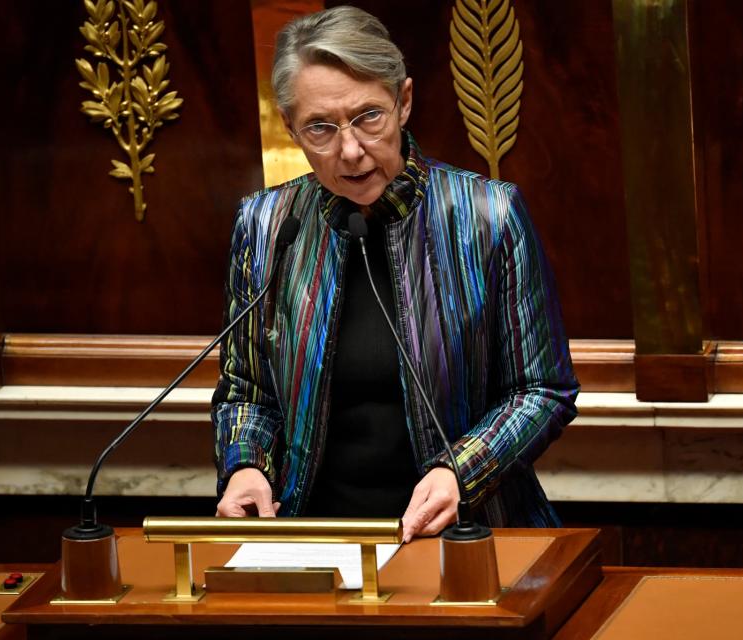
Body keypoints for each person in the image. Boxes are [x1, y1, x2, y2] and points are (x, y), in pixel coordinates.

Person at [212, 6, 578, 542]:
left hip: (465, 533)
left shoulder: (488, 217)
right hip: (313, 539)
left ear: (403, 102)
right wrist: (245, 464)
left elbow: (542, 389)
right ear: (290, 129)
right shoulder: (267, 225)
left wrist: (461, 470)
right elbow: (246, 389)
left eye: (368, 117)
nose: (351, 150)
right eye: (321, 128)